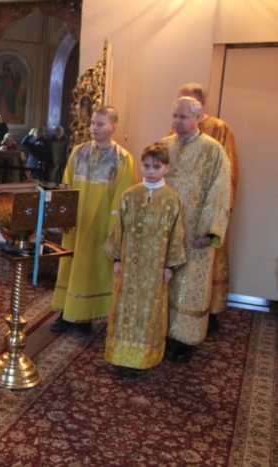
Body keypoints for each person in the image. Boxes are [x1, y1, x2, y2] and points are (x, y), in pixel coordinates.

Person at [51, 106, 138, 333]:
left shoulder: (123, 159)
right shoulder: (78, 152)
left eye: (100, 124)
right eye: (92, 123)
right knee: (69, 265)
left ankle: (85, 316)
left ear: (113, 126)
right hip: (76, 223)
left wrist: (114, 230)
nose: (94, 128)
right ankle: (65, 312)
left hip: (101, 224)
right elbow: (67, 185)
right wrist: (63, 215)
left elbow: (123, 197)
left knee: (91, 269)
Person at [105, 143, 186, 375]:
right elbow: (119, 228)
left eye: (156, 167)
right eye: (146, 166)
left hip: (155, 268)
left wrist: (169, 266)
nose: (150, 171)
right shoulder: (130, 195)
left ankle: (143, 359)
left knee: (148, 312)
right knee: (125, 308)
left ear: (166, 168)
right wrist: (117, 258)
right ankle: (120, 356)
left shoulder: (172, 199)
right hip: (129, 265)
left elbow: (177, 234)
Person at [161, 96, 231, 362]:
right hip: (166, 228)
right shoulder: (164, 145)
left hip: (195, 232)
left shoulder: (213, 150)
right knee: (165, 280)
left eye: (183, 117)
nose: (177, 121)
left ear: (198, 118)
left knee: (189, 284)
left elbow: (220, 192)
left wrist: (210, 231)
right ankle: (161, 332)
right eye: (174, 116)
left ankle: (185, 340)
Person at [178, 82, 238, 331]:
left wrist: (217, 218)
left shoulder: (219, 129)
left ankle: (206, 314)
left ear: (201, 104)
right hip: (179, 213)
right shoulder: (174, 134)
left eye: (189, 102)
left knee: (204, 263)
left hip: (205, 210)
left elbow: (226, 174)